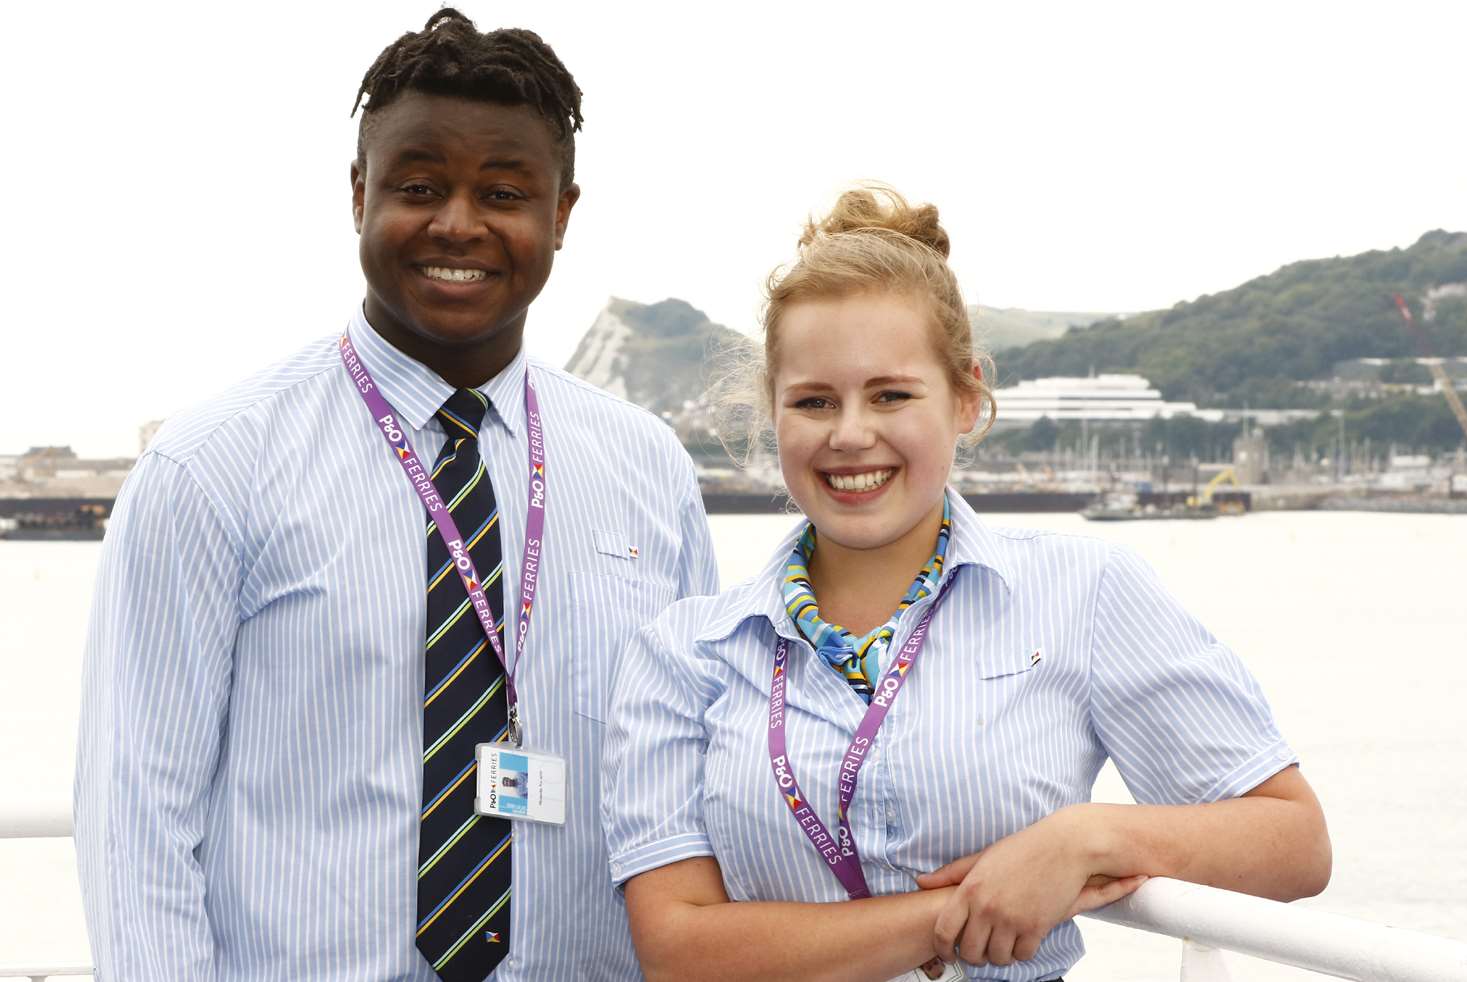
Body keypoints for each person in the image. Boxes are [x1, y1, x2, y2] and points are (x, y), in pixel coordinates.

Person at [74, 9, 717, 981]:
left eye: (502, 191)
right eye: (419, 186)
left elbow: (695, 785)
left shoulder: (649, 471)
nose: (458, 223)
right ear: (358, 193)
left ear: (561, 213)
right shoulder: (210, 469)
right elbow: (136, 822)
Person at [601, 186, 1331, 981]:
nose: (850, 434)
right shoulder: (686, 650)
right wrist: (976, 908)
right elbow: (680, 954)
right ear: (771, 415)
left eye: (891, 394)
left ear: (964, 399)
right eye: (813, 401)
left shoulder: (1083, 593)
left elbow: (1292, 846)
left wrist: (1084, 840)